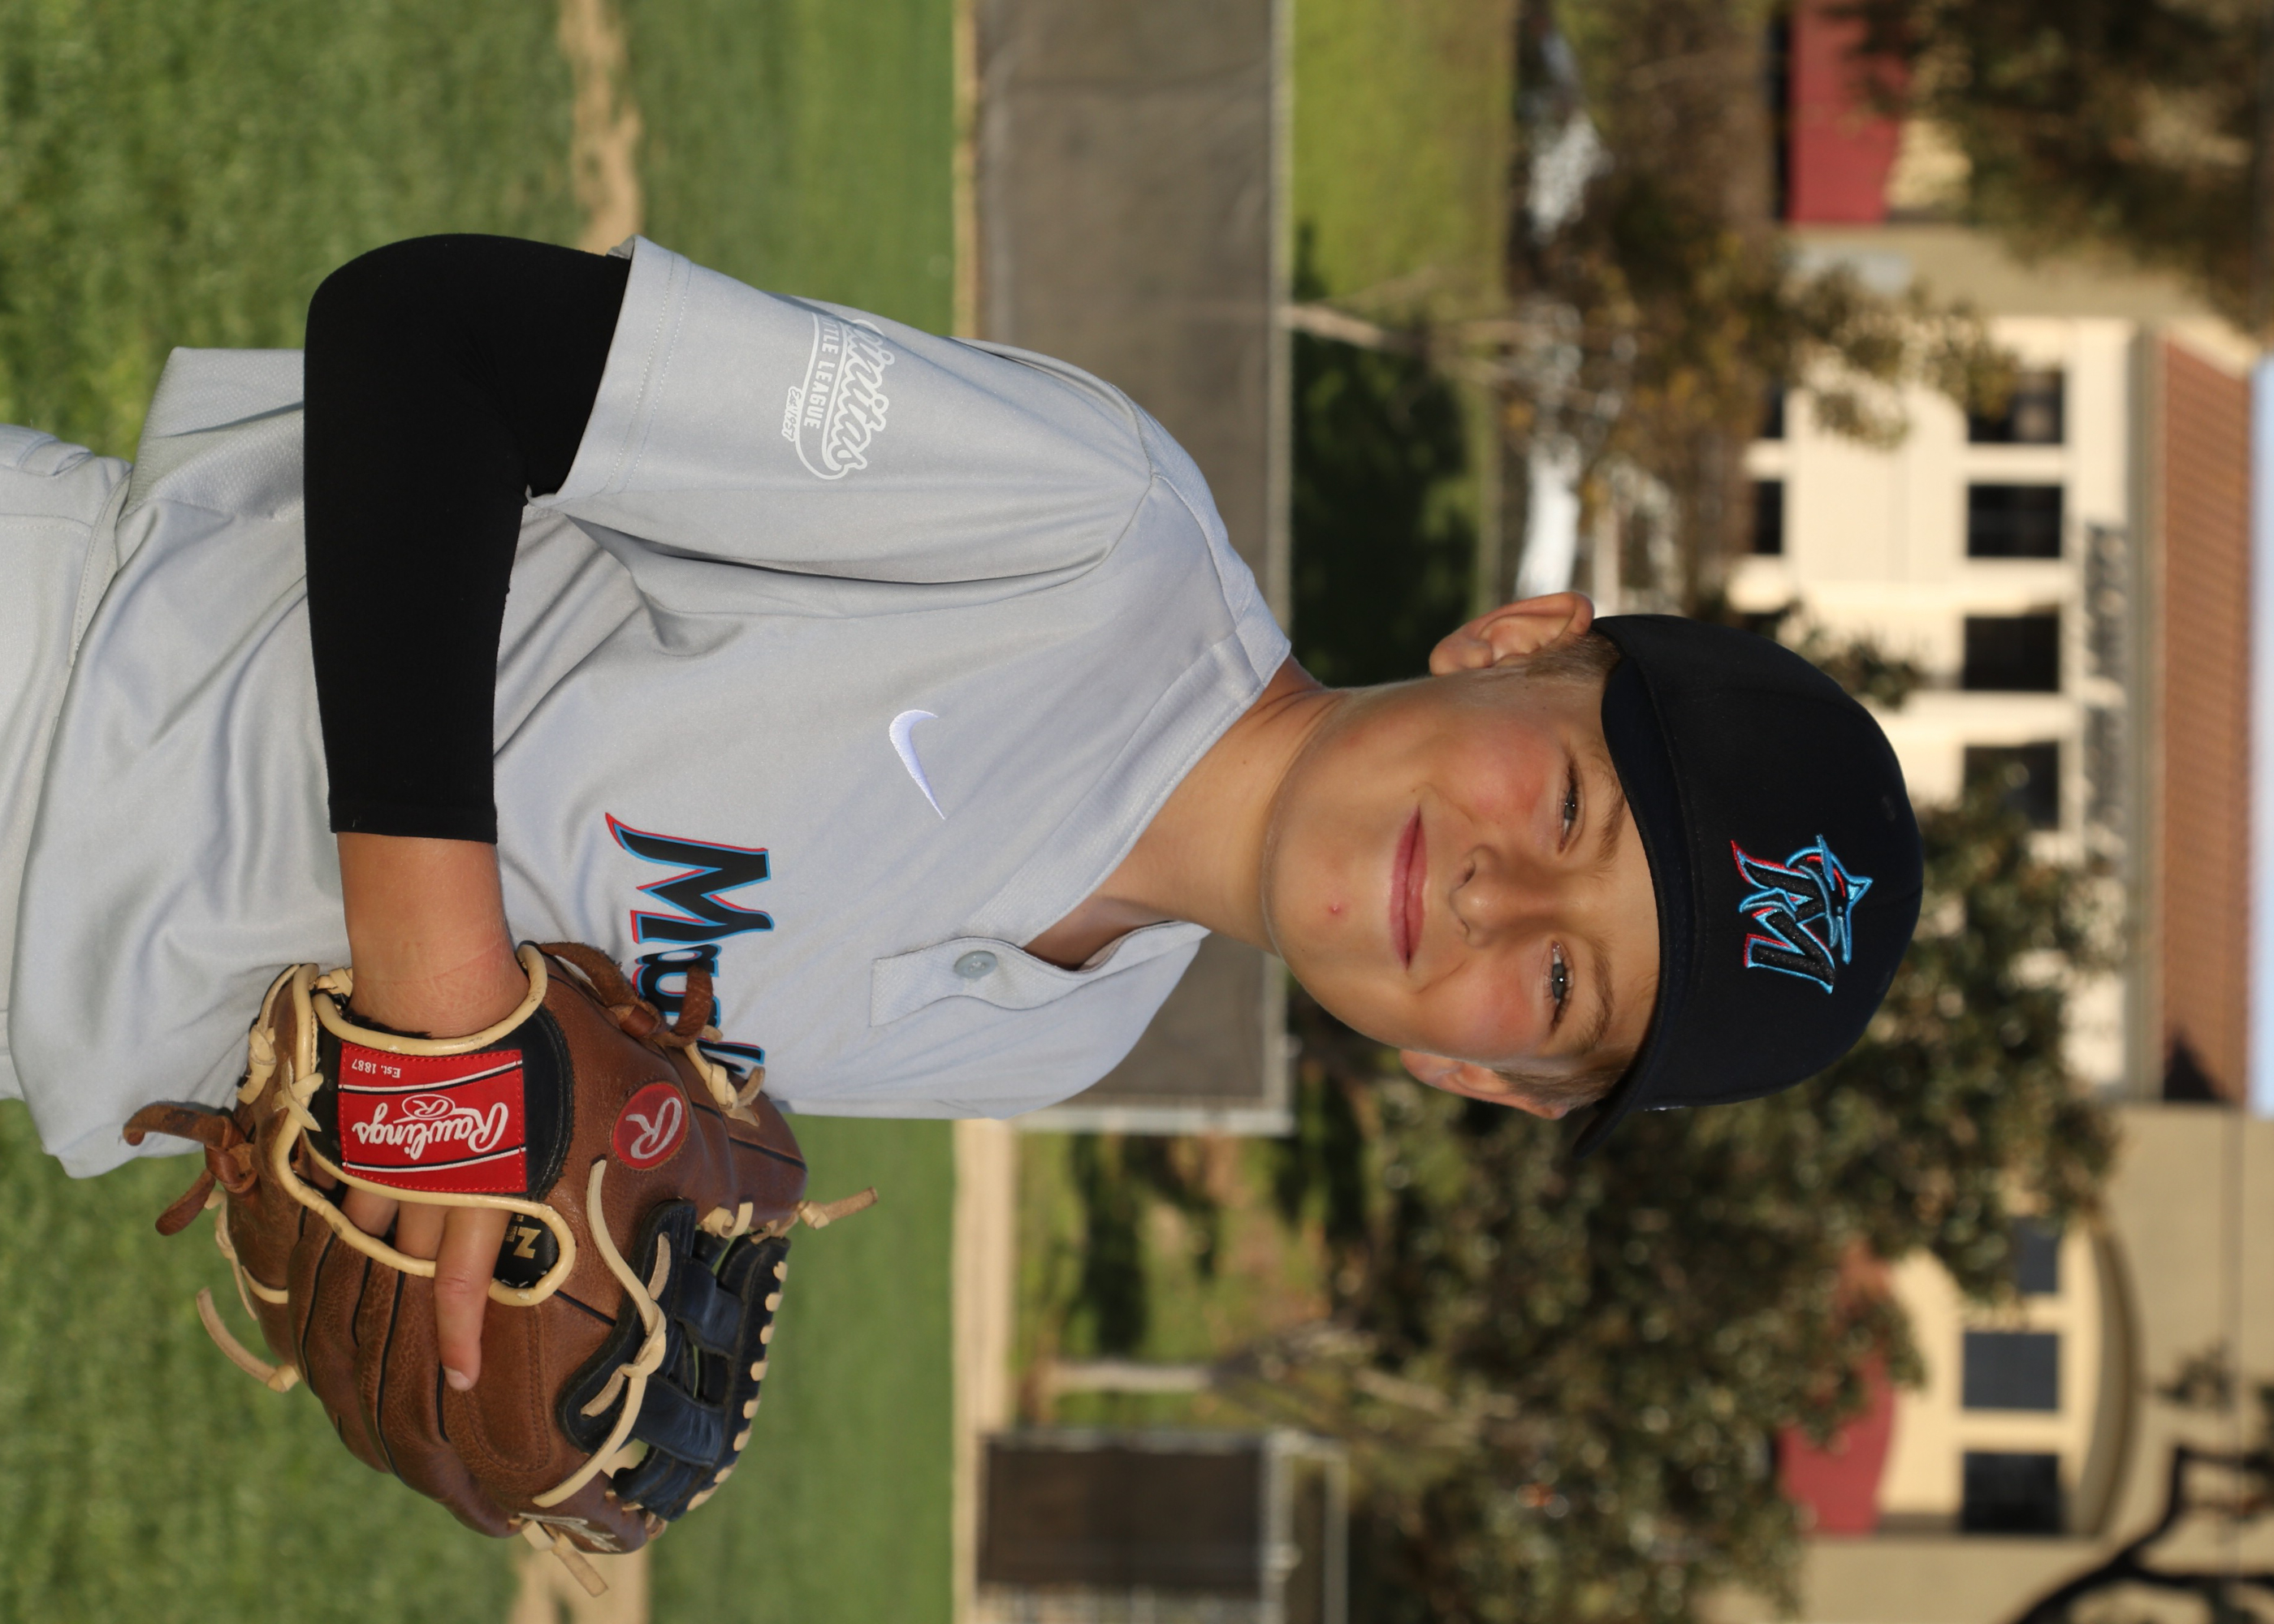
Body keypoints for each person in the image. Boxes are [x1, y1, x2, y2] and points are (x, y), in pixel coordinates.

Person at [0, 235, 1921, 1393]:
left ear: (1484, 1082)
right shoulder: (1097, 529)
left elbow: (537, 1060)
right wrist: (438, 984)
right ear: (1516, 642)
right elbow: (435, 336)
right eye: (1572, 800)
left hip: (64, 1030)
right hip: (61, 678)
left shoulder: (1064, 1035)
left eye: (1564, 987)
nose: (1503, 896)